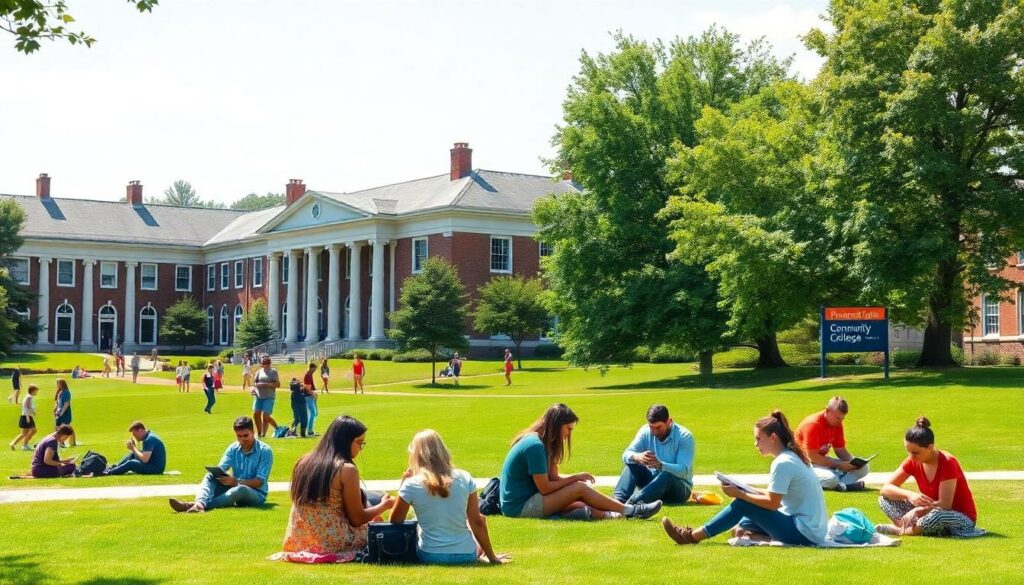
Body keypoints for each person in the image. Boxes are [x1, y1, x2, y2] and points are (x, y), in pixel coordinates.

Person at [663, 410, 828, 546]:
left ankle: (691, 536)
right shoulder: (791, 456)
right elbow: (773, 495)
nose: (756, 444)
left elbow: (773, 503)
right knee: (741, 525)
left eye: (758, 439)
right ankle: (757, 536)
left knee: (742, 504)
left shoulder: (783, 462)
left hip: (804, 533)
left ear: (773, 438)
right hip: (810, 529)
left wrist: (741, 494)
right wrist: (744, 488)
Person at [500, 403, 662, 521]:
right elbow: (545, 487)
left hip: (528, 500)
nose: (569, 435)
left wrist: (576, 479)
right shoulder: (535, 446)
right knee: (579, 489)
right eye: (568, 429)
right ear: (557, 426)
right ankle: (632, 510)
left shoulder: (541, 443)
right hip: (519, 507)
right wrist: (575, 479)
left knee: (579, 502)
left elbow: (553, 478)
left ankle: (614, 515)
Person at [279, 416, 393, 558]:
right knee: (377, 519)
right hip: (332, 541)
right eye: (359, 442)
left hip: (298, 539)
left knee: (372, 497)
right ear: (346, 440)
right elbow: (357, 519)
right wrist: (385, 505)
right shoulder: (346, 469)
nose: (360, 448)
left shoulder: (303, 462)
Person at [390, 429, 508, 565]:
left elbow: (396, 520)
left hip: (430, 555)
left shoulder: (411, 484)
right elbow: (477, 522)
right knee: (470, 522)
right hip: (466, 554)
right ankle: (482, 554)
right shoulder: (465, 477)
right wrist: (492, 557)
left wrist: (403, 485)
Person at [876, 417, 984, 537]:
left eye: (915, 453)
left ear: (929, 447)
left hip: (958, 517)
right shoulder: (912, 461)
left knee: (939, 515)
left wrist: (918, 511)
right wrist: (910, 495)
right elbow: (886, 488)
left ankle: (900, 530)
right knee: (884, 499)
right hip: (928, 513)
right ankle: (913, 527)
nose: (911, 457)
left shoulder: (948, 462)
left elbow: (945, 505)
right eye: (908, 451)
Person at [169, 416, 273, 513]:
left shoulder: (265, 451)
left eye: (246, 435)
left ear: (253, 432)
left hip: (256, 494)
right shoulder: (233, 448)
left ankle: (193, 506)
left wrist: (236, 482)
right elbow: (221, 468)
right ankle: (200, 503)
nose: (242, 439)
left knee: (240, 489)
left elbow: (259, 482)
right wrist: (219, 475)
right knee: (210, 475)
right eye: (239, 436)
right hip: (233, 487)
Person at [614, 404, 695, 506]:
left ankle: (631, 505)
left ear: (669, 422)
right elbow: (626, 454)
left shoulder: (684, 436)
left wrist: (660, 465)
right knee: (632, 464)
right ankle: (617, 502)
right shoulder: (645, 431)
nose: (654, 432)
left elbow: (683, 470)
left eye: (658, 427)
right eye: (651, 427)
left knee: (666, 476)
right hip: (652, 484)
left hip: (679, 488)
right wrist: (637, 457)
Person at [795, 396, 869, 492]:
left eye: (842, 418)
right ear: (827, 411)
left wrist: (853, 462)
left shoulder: (837, 423)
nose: (840, 421)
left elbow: (840, 450)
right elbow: (812, 457)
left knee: (864, 468)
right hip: (803, 463)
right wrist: (840, 465)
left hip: (821, 462)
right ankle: (842, 483)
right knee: (831, 479)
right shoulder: (813, 424)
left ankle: (840, 484)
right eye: (837, 418)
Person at [252, 356, 280, 437]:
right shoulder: (259, 372)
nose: (263, 364)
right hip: (258, 396)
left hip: (269, 396)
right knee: (256, 414)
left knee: (266, 416)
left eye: (265, 363)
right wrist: (253, 389)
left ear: (269, 363)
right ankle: (260, 433)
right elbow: (255, 383)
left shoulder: (273, 372)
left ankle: (277, 428)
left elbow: (277, 384)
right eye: (262, 363)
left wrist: (266, 384)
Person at [10, 384, 39, 451]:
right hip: (26, 417)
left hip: (27, 416)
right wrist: (28, 416)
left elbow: (27, 407)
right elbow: (26, 407)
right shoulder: (29, 397)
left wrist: (33, 412)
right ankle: (22, 445)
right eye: (36, 391)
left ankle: (21, 444)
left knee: (31, 431)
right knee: (25, 433)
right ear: (33, 391)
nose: (36, 392)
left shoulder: (29, 396)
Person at [52, 379, 76, 447]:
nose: (57, 385)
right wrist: (56, 409)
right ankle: (62, 442)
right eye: (57, 384)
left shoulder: (66, 392)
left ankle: (63, 442)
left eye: (58, 383)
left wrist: (62, 413)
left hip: (65, 413)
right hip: (59, 413)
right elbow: (58, 402)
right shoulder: (60, 392)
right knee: (58, 427)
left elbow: (66, 404)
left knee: (65, 428)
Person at [303, 362, 320, 436]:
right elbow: (307, 388)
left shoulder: (310, 375)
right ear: (311, 368)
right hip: (308, 396)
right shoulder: (307, 375)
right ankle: (309, 430)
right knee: (313, 413)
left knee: (314, 413)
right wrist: (313, 394)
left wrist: (314, 393)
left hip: (310, 396)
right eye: (314, 369)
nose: (314, 370)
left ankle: (310, 430)